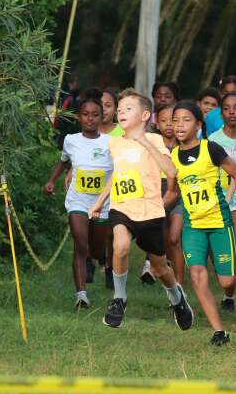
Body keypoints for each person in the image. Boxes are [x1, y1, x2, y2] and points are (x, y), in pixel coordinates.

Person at [89, 88, 193, 330]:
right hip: (121, 207)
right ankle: (119, 298)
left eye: (128, 109)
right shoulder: (115, 143)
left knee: (159, 267)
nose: (121, 112)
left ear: (145, 115)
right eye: (120, 109)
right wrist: (100, 201)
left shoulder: (155, 140)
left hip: (150, 211)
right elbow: (118, 174)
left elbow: (171, 171)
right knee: (121, 246)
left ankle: (177, 298)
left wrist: (144, 141)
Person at [170, 100, 236, 345]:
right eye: (176, 120)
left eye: (186, 120)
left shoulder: (211, 148)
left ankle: (227, 285)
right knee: (196, 274)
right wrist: (152, 208)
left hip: (219, 222)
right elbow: (173, 192)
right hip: (193, 225)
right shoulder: (172, 156)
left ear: (198, 125)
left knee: (227, 281)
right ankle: (219, 332)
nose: (180, 125)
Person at [44, 95, 113, 308]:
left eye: (95, 115)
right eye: (85, 114)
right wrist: (51, 181)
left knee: (96, 250)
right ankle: (81, 295)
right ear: (78, 117)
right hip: (78, 201)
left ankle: (99, 259)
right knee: (80, 243)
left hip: (102, 203)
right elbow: (64, 161)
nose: (90, 119)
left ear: (101, 117)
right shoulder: (71, 140)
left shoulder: (111, 142)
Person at [208, 93, 236, 310]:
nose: (232, 112)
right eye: (227, 108)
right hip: (216, 200)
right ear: (221, 113)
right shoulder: (213, 139)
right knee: (216, 251)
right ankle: (225, 279)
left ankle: (229, 295)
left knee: (233, 248)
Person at [141, 105, 186, 285]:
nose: (168, 124)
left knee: (175, 239)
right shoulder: (150, 145)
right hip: (155, 196)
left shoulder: (184, 146)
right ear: (156, 124)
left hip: (178, 196)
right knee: (163, 239)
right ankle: (158, 270)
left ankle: (179, 285)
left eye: (172, 120)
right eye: (163, 120)